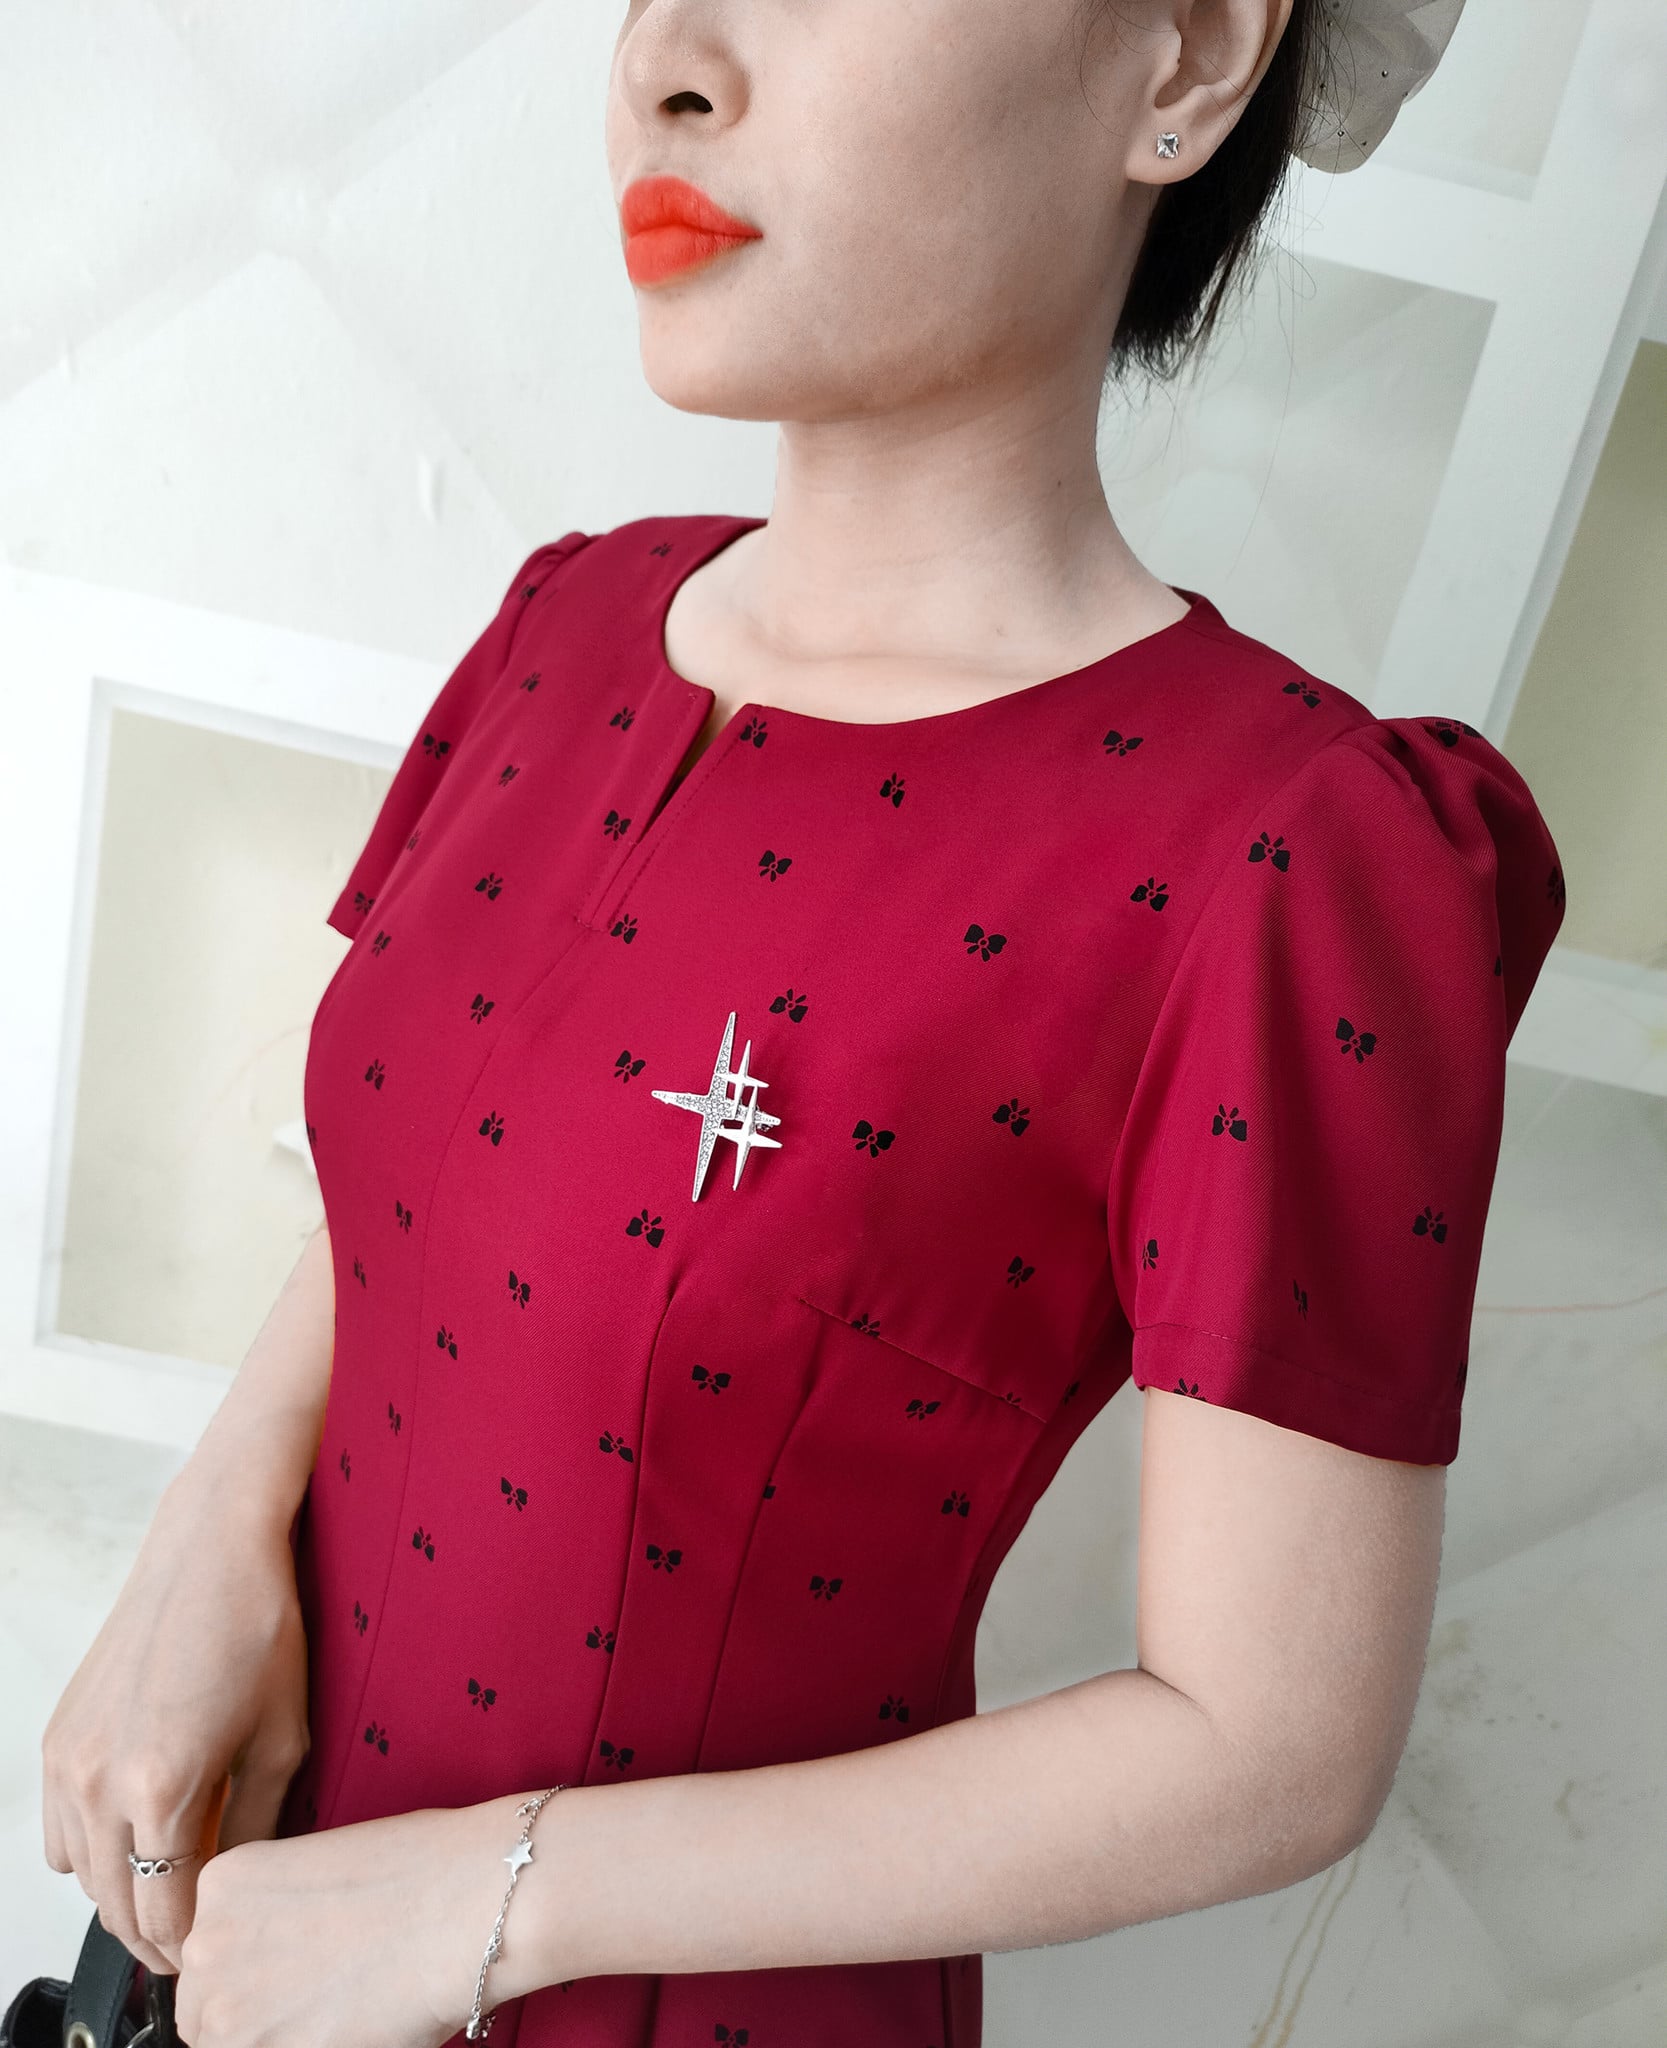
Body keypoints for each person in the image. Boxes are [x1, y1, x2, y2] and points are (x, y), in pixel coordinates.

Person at [42, 2, 1561, 2045]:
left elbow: (1270, 1740)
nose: (666, 57)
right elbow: (448, 1191)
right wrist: (208, 1527)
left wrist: (495, 1894)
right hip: (245, 1960)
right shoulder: (566, 622)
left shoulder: (1289, 847)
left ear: (1189, 58)